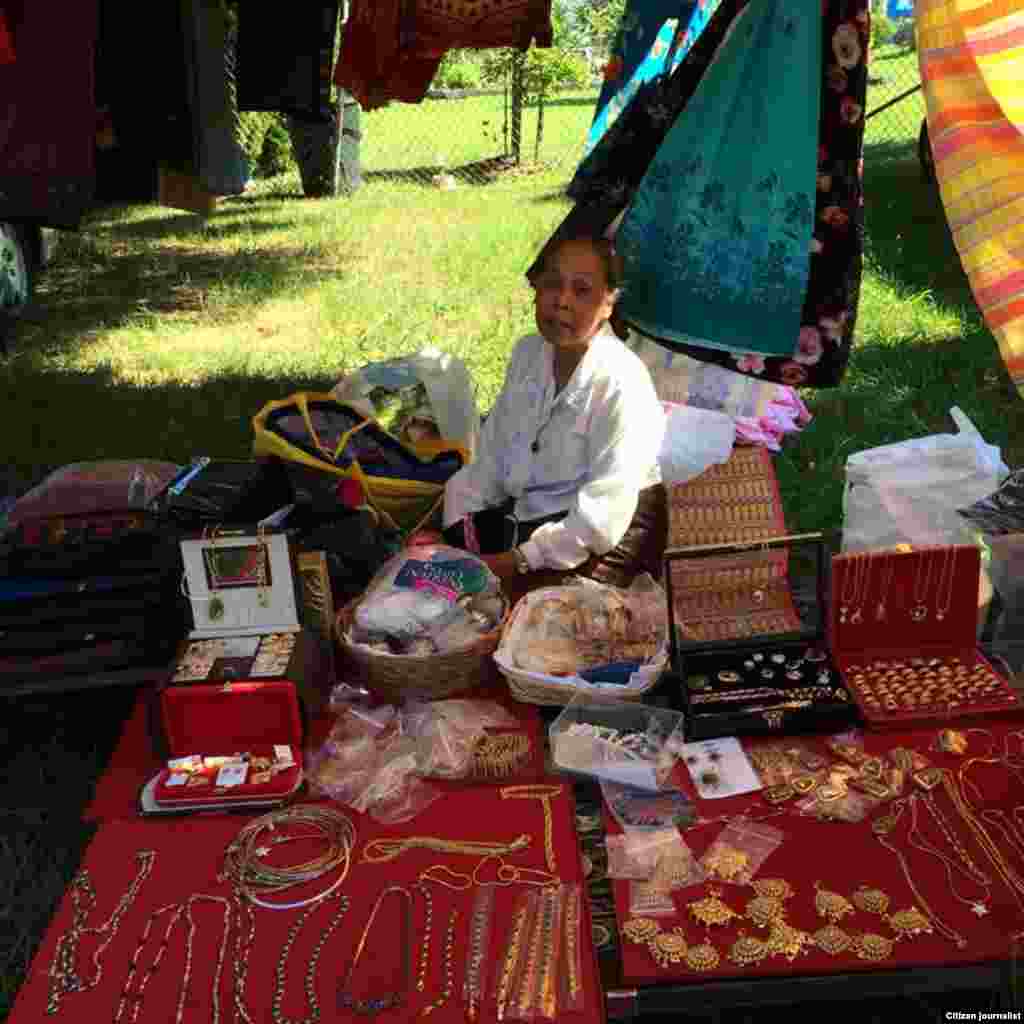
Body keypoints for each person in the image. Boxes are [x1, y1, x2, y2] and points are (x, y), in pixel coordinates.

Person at [442, 232, 667, 604]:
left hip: (605, 537)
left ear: (608, 302)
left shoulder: (620, 381)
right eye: (552, 285)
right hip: (536, 528)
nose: (561, 302)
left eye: (582, 291)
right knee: (440, 594)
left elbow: (601, 516)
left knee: (531, 625)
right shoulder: (528, 355)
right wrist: (455, 534)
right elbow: (492, 461)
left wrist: (518, 560)